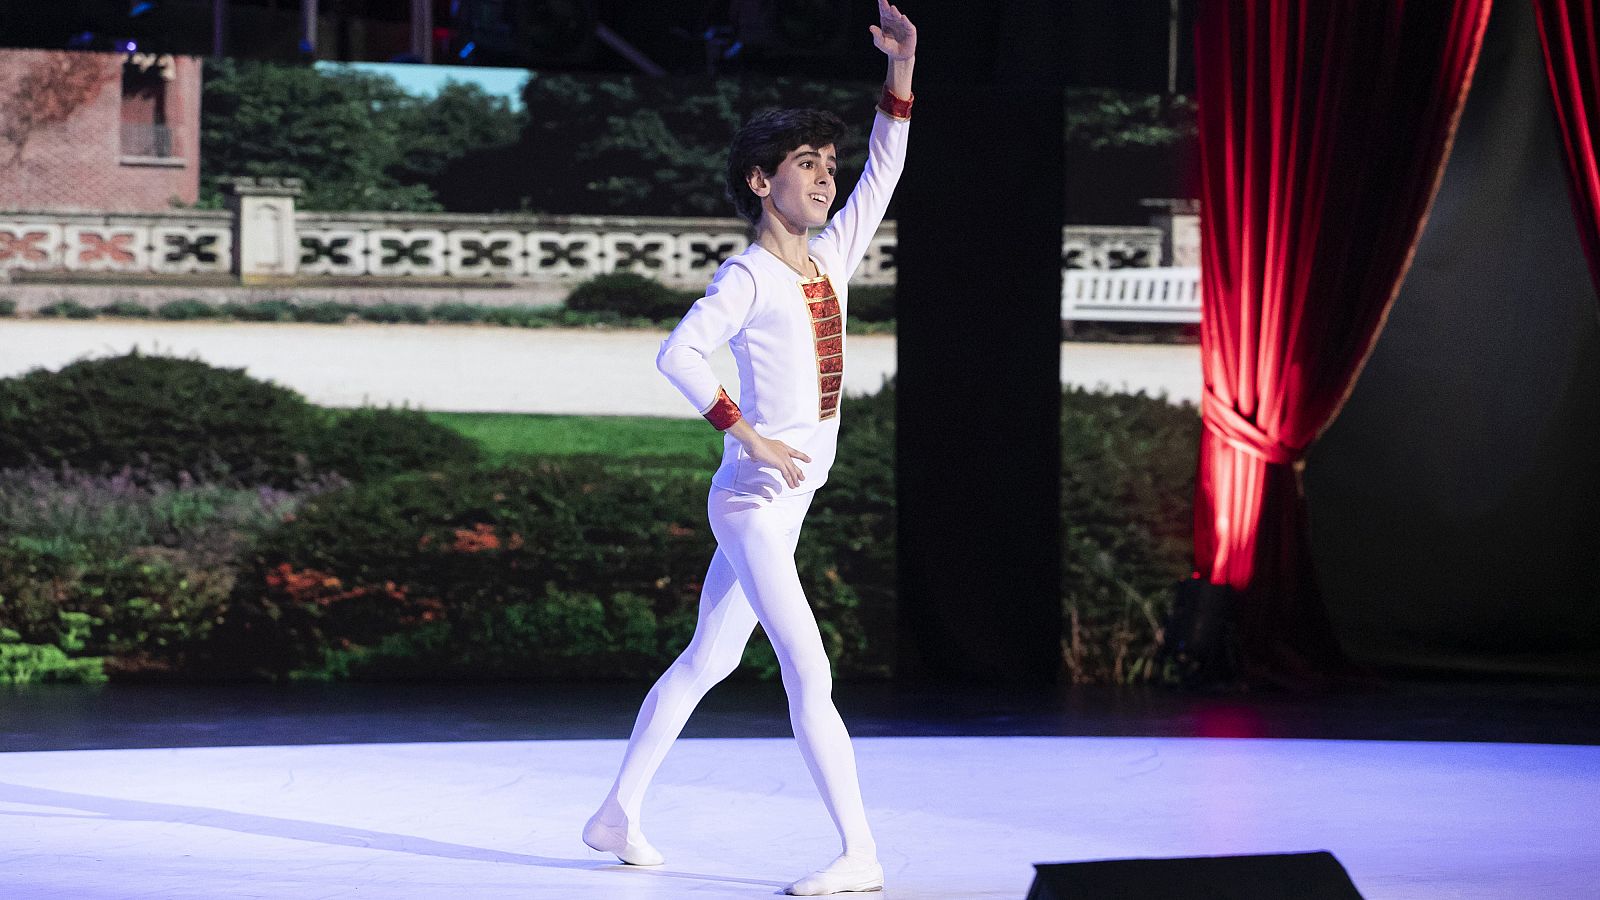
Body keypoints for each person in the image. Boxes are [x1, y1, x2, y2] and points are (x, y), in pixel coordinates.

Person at [582, 2, 916, 895]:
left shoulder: (828, 258)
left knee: (710, 659)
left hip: (783, 499)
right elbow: (677, 354)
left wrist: (901, 75)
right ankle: (861, 853)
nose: (827, 179)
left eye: (828, 164)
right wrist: (750, 433)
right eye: (806, 165)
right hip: (752, 501)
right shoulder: (748, 274)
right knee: (808, 667)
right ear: (762, 182)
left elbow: (885, 170)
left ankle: (616, 811)